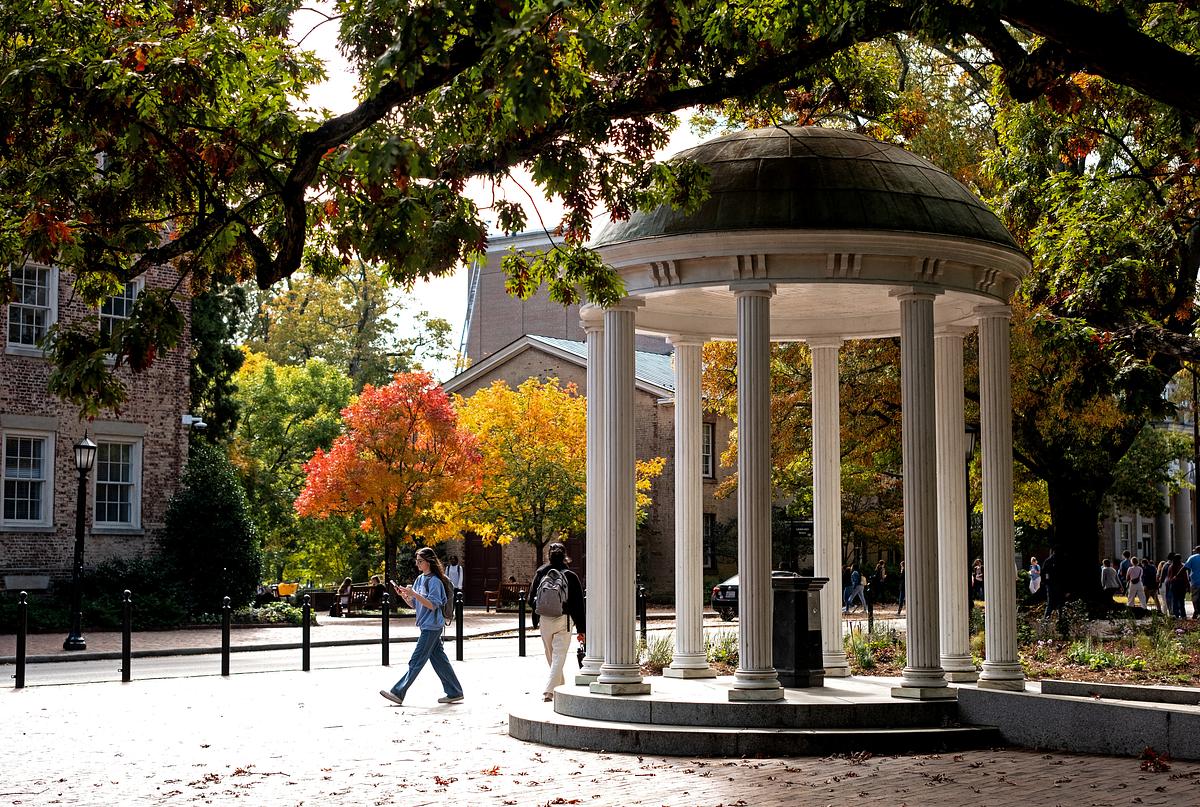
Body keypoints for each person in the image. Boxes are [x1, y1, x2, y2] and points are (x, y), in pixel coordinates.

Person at [379, 547, 464, 706]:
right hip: (426, 625)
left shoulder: (435, 582)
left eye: (420, 561)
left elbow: (432, 604)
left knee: (416, 660)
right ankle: (455, 692)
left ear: (429, 562)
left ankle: (398, 692)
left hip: (432, 625)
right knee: (440, 660)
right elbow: (415, 604)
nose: (417, 564)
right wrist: (404, 596)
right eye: (416, 561)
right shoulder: (419, 579)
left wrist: (414, 594)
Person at [530, 542, 586, 702]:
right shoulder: (571, 576)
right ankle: (553, 689)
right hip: (564, 619)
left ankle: (553, 689)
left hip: (545, 619)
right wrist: (582, 629)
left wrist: (539, 611)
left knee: (551, 655)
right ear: (565, 555)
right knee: (559, 656)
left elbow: (530, 599)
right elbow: (578, 605)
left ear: (549, 555)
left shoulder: (541, 572)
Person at [1165, 553, 1189, 619]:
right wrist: (1188, 586)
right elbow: (1185, 577)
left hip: (1174, 585)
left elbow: (1169, 577)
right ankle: (1183, 615)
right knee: (1181, 601)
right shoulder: (1182, 566)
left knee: (1175, 600)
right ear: (1180, 559)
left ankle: (1176, 614)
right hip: (1182, 585)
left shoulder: (1171, 566)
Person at [1041, 546, 1061, 618]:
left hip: (1050, 584)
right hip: (1058, 584)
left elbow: (1043, 573)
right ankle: (1060, 619)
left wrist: (1045, 582)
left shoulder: (1047, 561)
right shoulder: (1060, 560)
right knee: (1060, 603)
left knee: (1050, 603)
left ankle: (1046, 619)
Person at [1184, 546, 1200, 618]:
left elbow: (1185, 568)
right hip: (1195, 581)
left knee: (1195, 597)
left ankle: (1196, 611)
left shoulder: (1192, 557)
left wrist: (1176, 576)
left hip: (1195, 581)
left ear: (1196, 551)